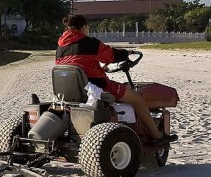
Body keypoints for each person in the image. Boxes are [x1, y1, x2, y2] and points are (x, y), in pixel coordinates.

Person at [55, 14, 177, 144]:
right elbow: (111, 55)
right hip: (96, 86)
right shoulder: (89, 43)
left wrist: (101, 69)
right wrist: (126, 54)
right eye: (87, 27)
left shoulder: (61, 46)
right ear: (84, 27)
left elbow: (79, 65)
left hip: (70, 89)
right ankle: (157, 135)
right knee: (137, 99)